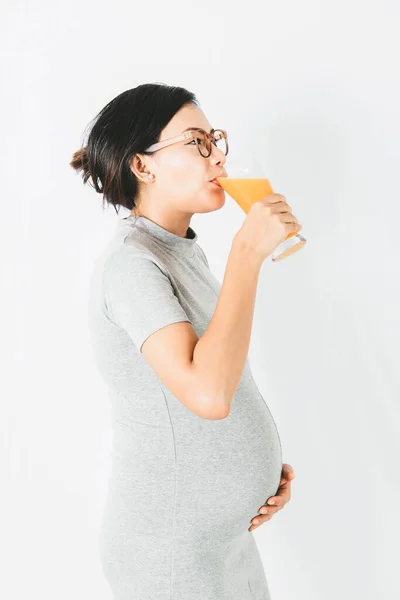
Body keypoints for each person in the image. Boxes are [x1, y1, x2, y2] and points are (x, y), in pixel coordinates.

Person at [70, 82, 302, 600]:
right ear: (143, 166)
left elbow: (219, 372)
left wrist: (257, 474)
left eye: (215, 139)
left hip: (223, 542)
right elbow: (208, 395)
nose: (218, 156)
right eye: (197, 142)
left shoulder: (180, 251)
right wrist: (246, 253)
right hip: (170, 553)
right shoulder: (132, 264)